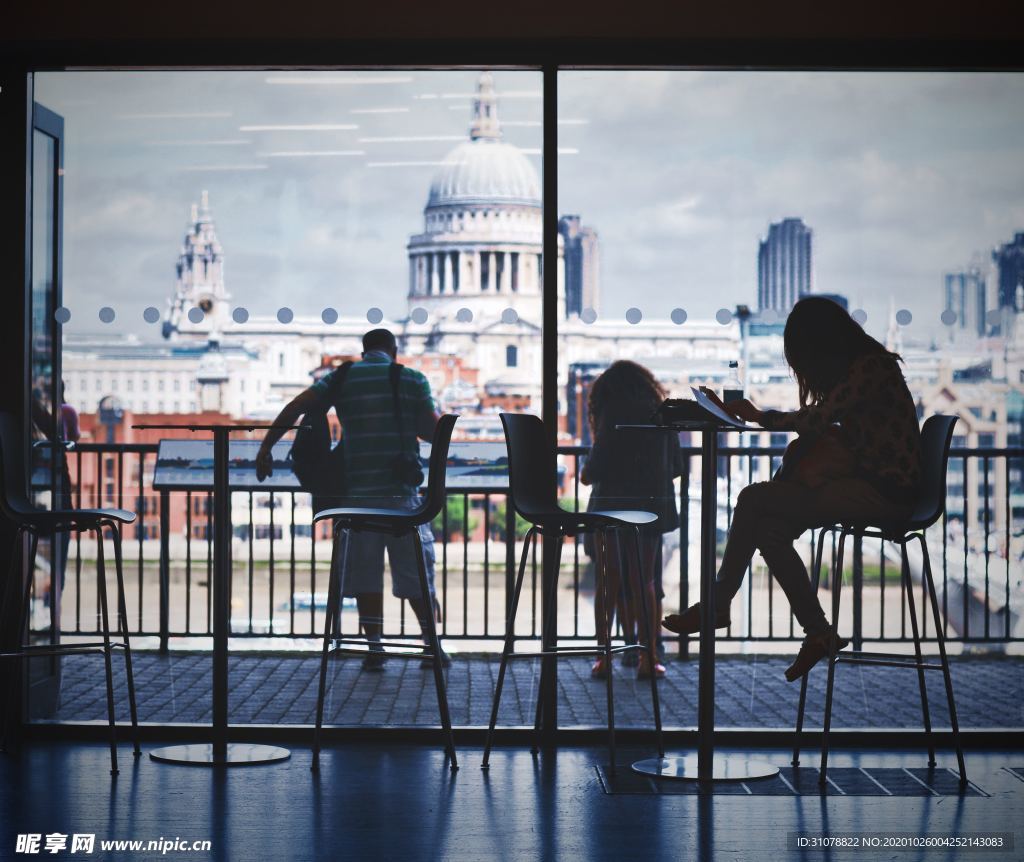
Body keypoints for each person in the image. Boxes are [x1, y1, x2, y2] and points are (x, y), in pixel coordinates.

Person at [663, 296, 923, 681]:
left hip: (882, 494)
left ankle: (718, 606)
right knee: (769, 532)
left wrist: (757, 416)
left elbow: (817, 420)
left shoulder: (870, 368)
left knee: (752, 499)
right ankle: (817, 633)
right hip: (874, 488)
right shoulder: (871, 366)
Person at [255, 328, 446, 671]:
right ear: (393, 350)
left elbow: (295, 407)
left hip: (356, 497)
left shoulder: (341, 377)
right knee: (415, 574)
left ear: (364, 350)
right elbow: (433, 431)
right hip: (402, 496)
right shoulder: (413, 379)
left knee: (364, 575)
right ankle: (431, 646)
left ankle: (374, 648)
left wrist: (266, 447)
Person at [581, 360, 682, 680]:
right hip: (651, 506)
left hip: (611, 506)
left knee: (608, 582)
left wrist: (588, 471)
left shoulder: (612, 410)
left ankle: (603, 658)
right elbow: (677, 466)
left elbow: (592, 471)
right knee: (647, 582)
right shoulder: (661, 410)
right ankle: (649, 658)